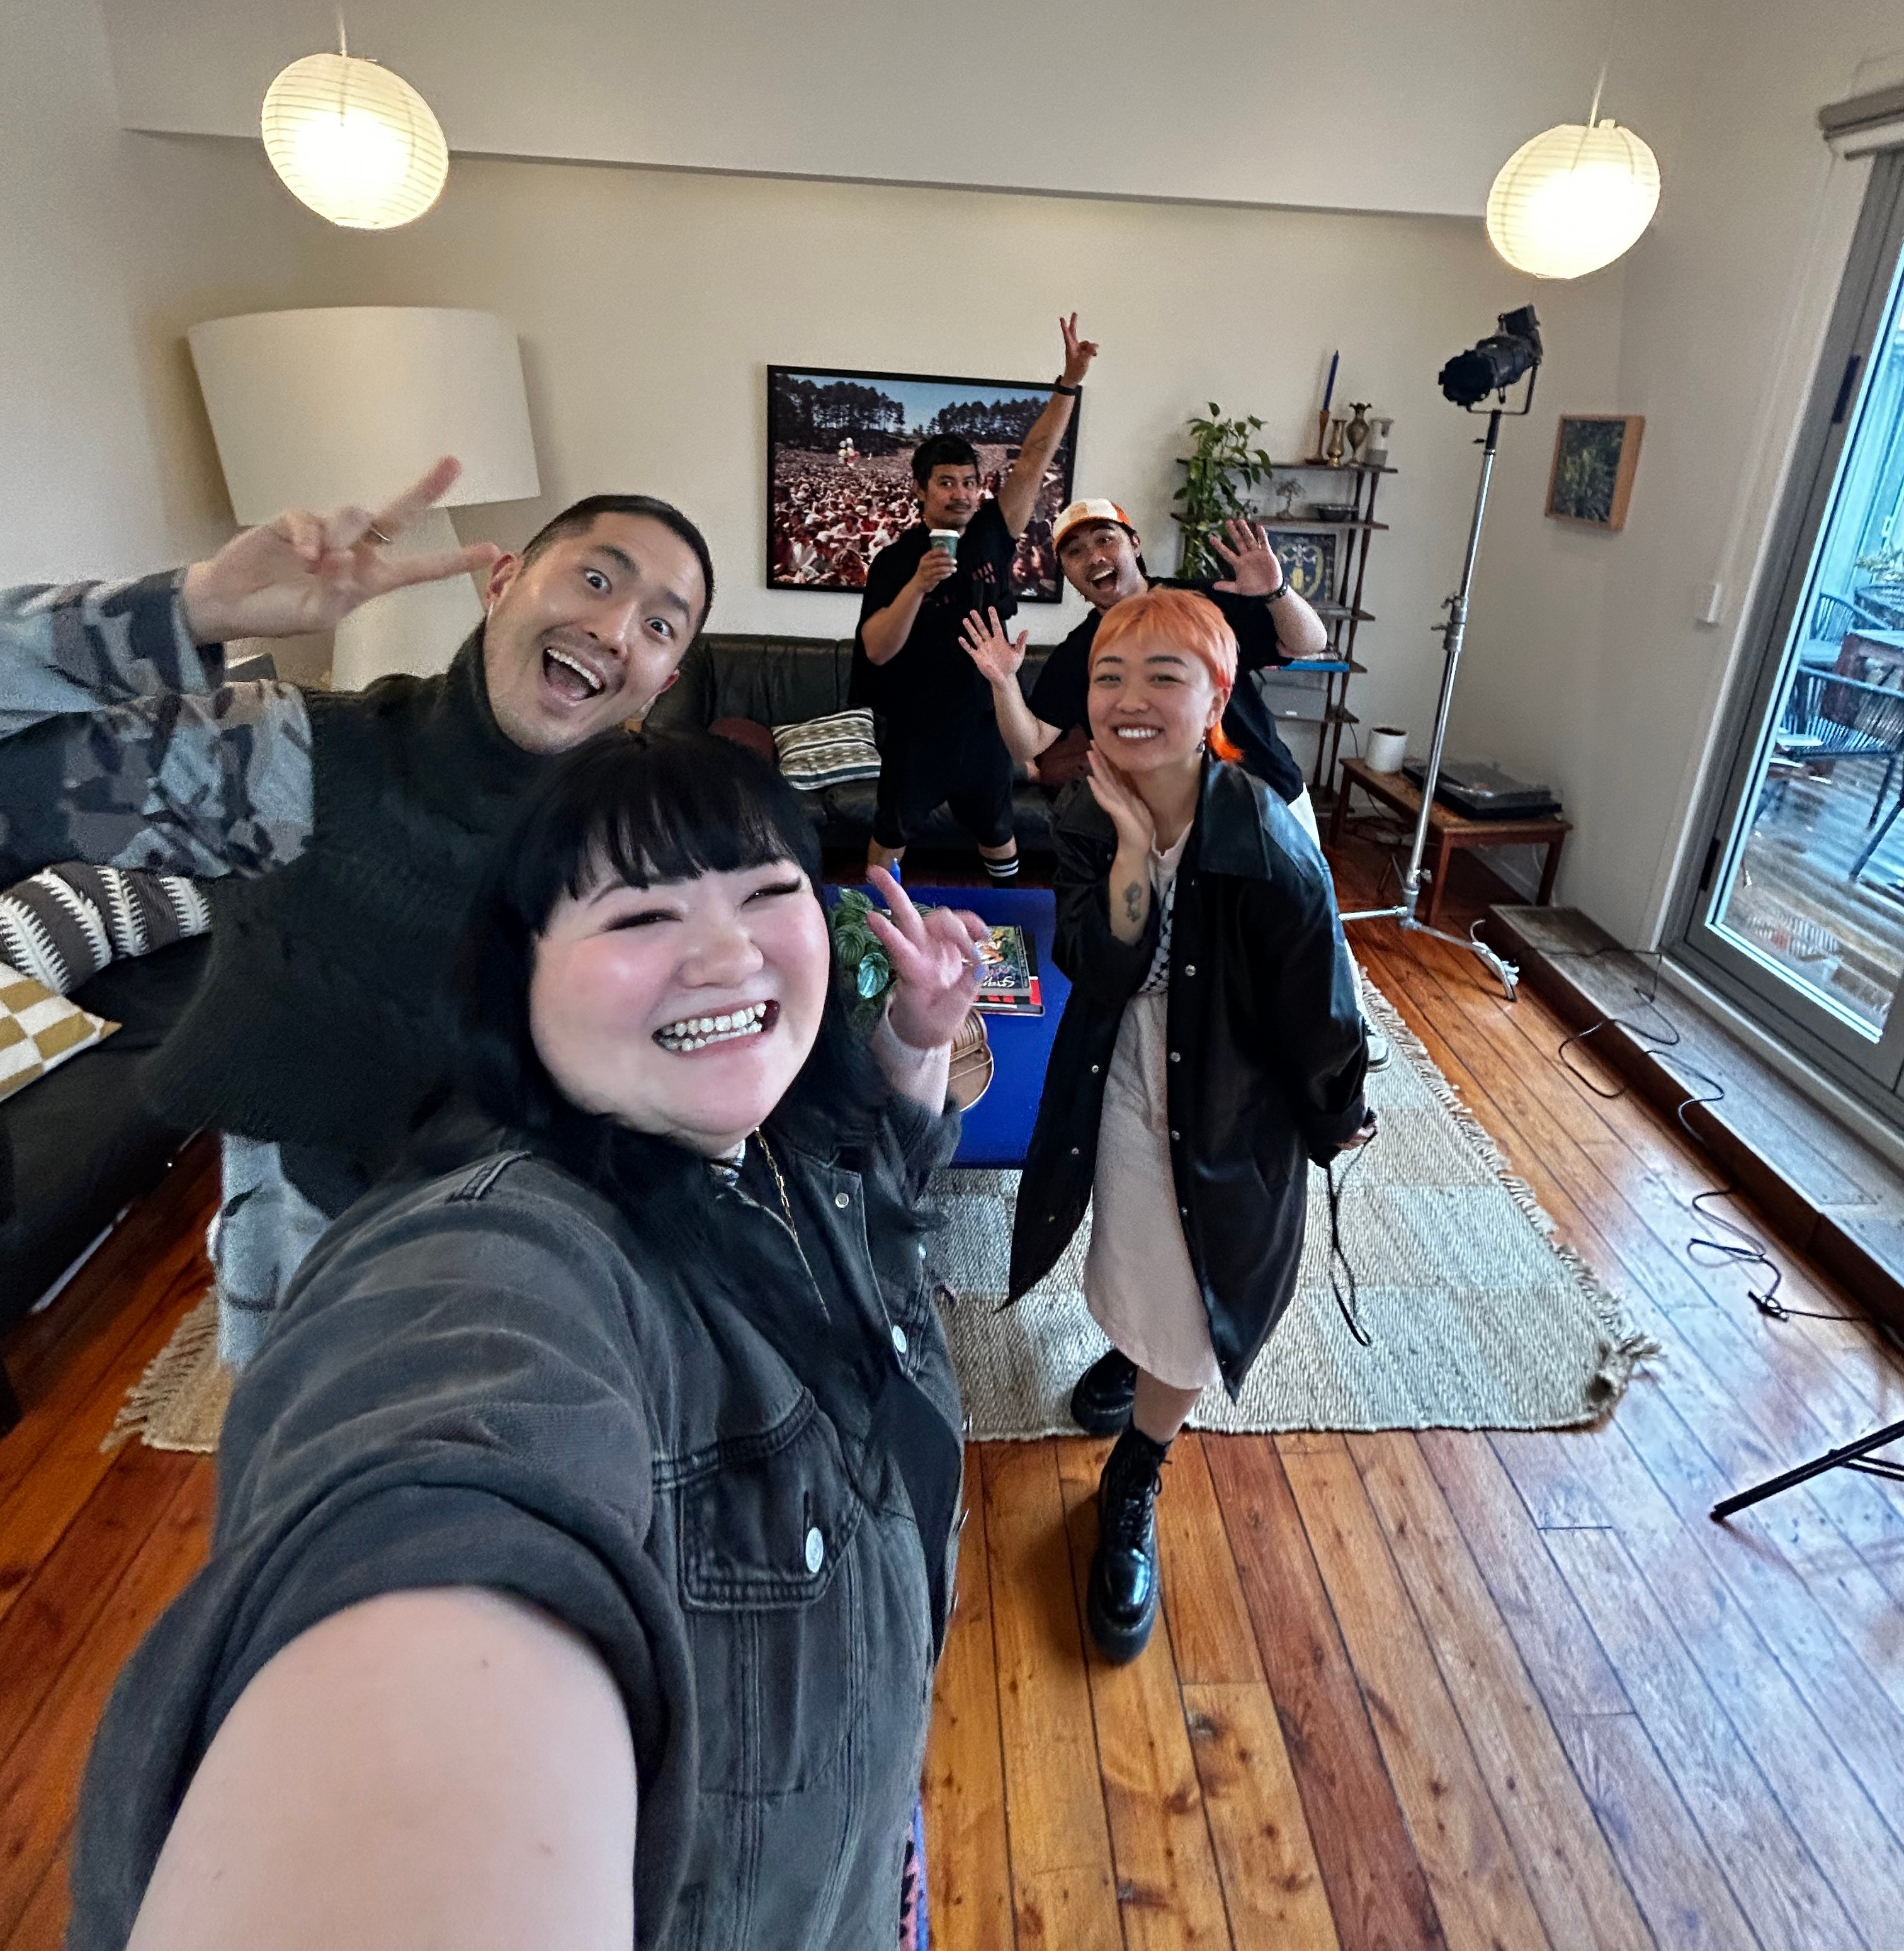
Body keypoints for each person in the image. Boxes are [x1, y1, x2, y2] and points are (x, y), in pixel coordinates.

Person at [67, 730, 984, 1951]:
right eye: (639, 916)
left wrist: (916, 1048)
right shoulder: (493, 1265)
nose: (729, 951)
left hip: (865, 1871)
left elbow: (880, 1222)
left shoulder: (781, 1140)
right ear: (518, 979)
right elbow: (449, 1477)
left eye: (769, 892)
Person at [0, 457, 716, 1358]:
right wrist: (192, 609)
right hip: (318, 1265)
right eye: (597, 577)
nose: (615, 628)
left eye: (657, 624)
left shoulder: (638, 837)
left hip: (550, 1271)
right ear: (503, 582)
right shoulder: (290, 764)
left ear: (661, 678)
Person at [1006, 589, 1373, 1664]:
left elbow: (1322, 1006)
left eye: (1163, 676)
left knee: (1190, 1282)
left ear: (1215, 695)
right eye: (1107, 677)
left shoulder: (1263, 838)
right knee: (1129, 1252)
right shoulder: (1082, 811)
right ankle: (1135, 1353)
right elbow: (1100, 964)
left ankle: (1135, 1474)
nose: (1127, 700)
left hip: (1228, 1101)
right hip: (1121, 1076)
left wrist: (1333, 1116)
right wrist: (1125, 849)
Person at [960, 495, 1391, 1065]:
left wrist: (1275, 593)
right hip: (1175, 815)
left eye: (1104, 539)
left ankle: (1346, 1031)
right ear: (1066, 571)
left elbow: (1306, 644)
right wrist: (1002, 682)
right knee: (1210, 933)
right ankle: (1227, 1036)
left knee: (1308, 916)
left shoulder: (1205, 601)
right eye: (1075, 550)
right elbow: (1033, 746)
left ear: (1134, 543)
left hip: (1265, 795)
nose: (1093, 557)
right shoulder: (1083, 648)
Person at [852, 314, 1097, 885]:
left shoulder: (993, 530)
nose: (961, 493)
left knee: (996, 827)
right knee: (891, 832)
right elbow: (878, 652)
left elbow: (1036, 456)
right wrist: (918, 585)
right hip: (917, 726)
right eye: (946, 482)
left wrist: (1069, 381)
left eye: (968, 482)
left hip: (986, 721)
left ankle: (1007, 924)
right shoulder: (894, 561)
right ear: (920, 488)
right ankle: (873, 929)